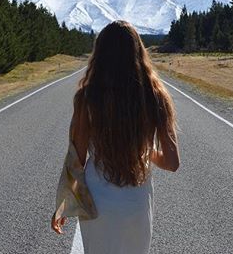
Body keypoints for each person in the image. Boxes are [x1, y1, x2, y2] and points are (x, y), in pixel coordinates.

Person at [51, 20, 180, 254]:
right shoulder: (156, 96)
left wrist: (64, 204)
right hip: (137, 203)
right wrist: (142, 149)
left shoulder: (87, 96)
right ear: (138, 52)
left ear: (100, 55)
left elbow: (77, 158)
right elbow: (172, 163)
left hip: (98, 205)